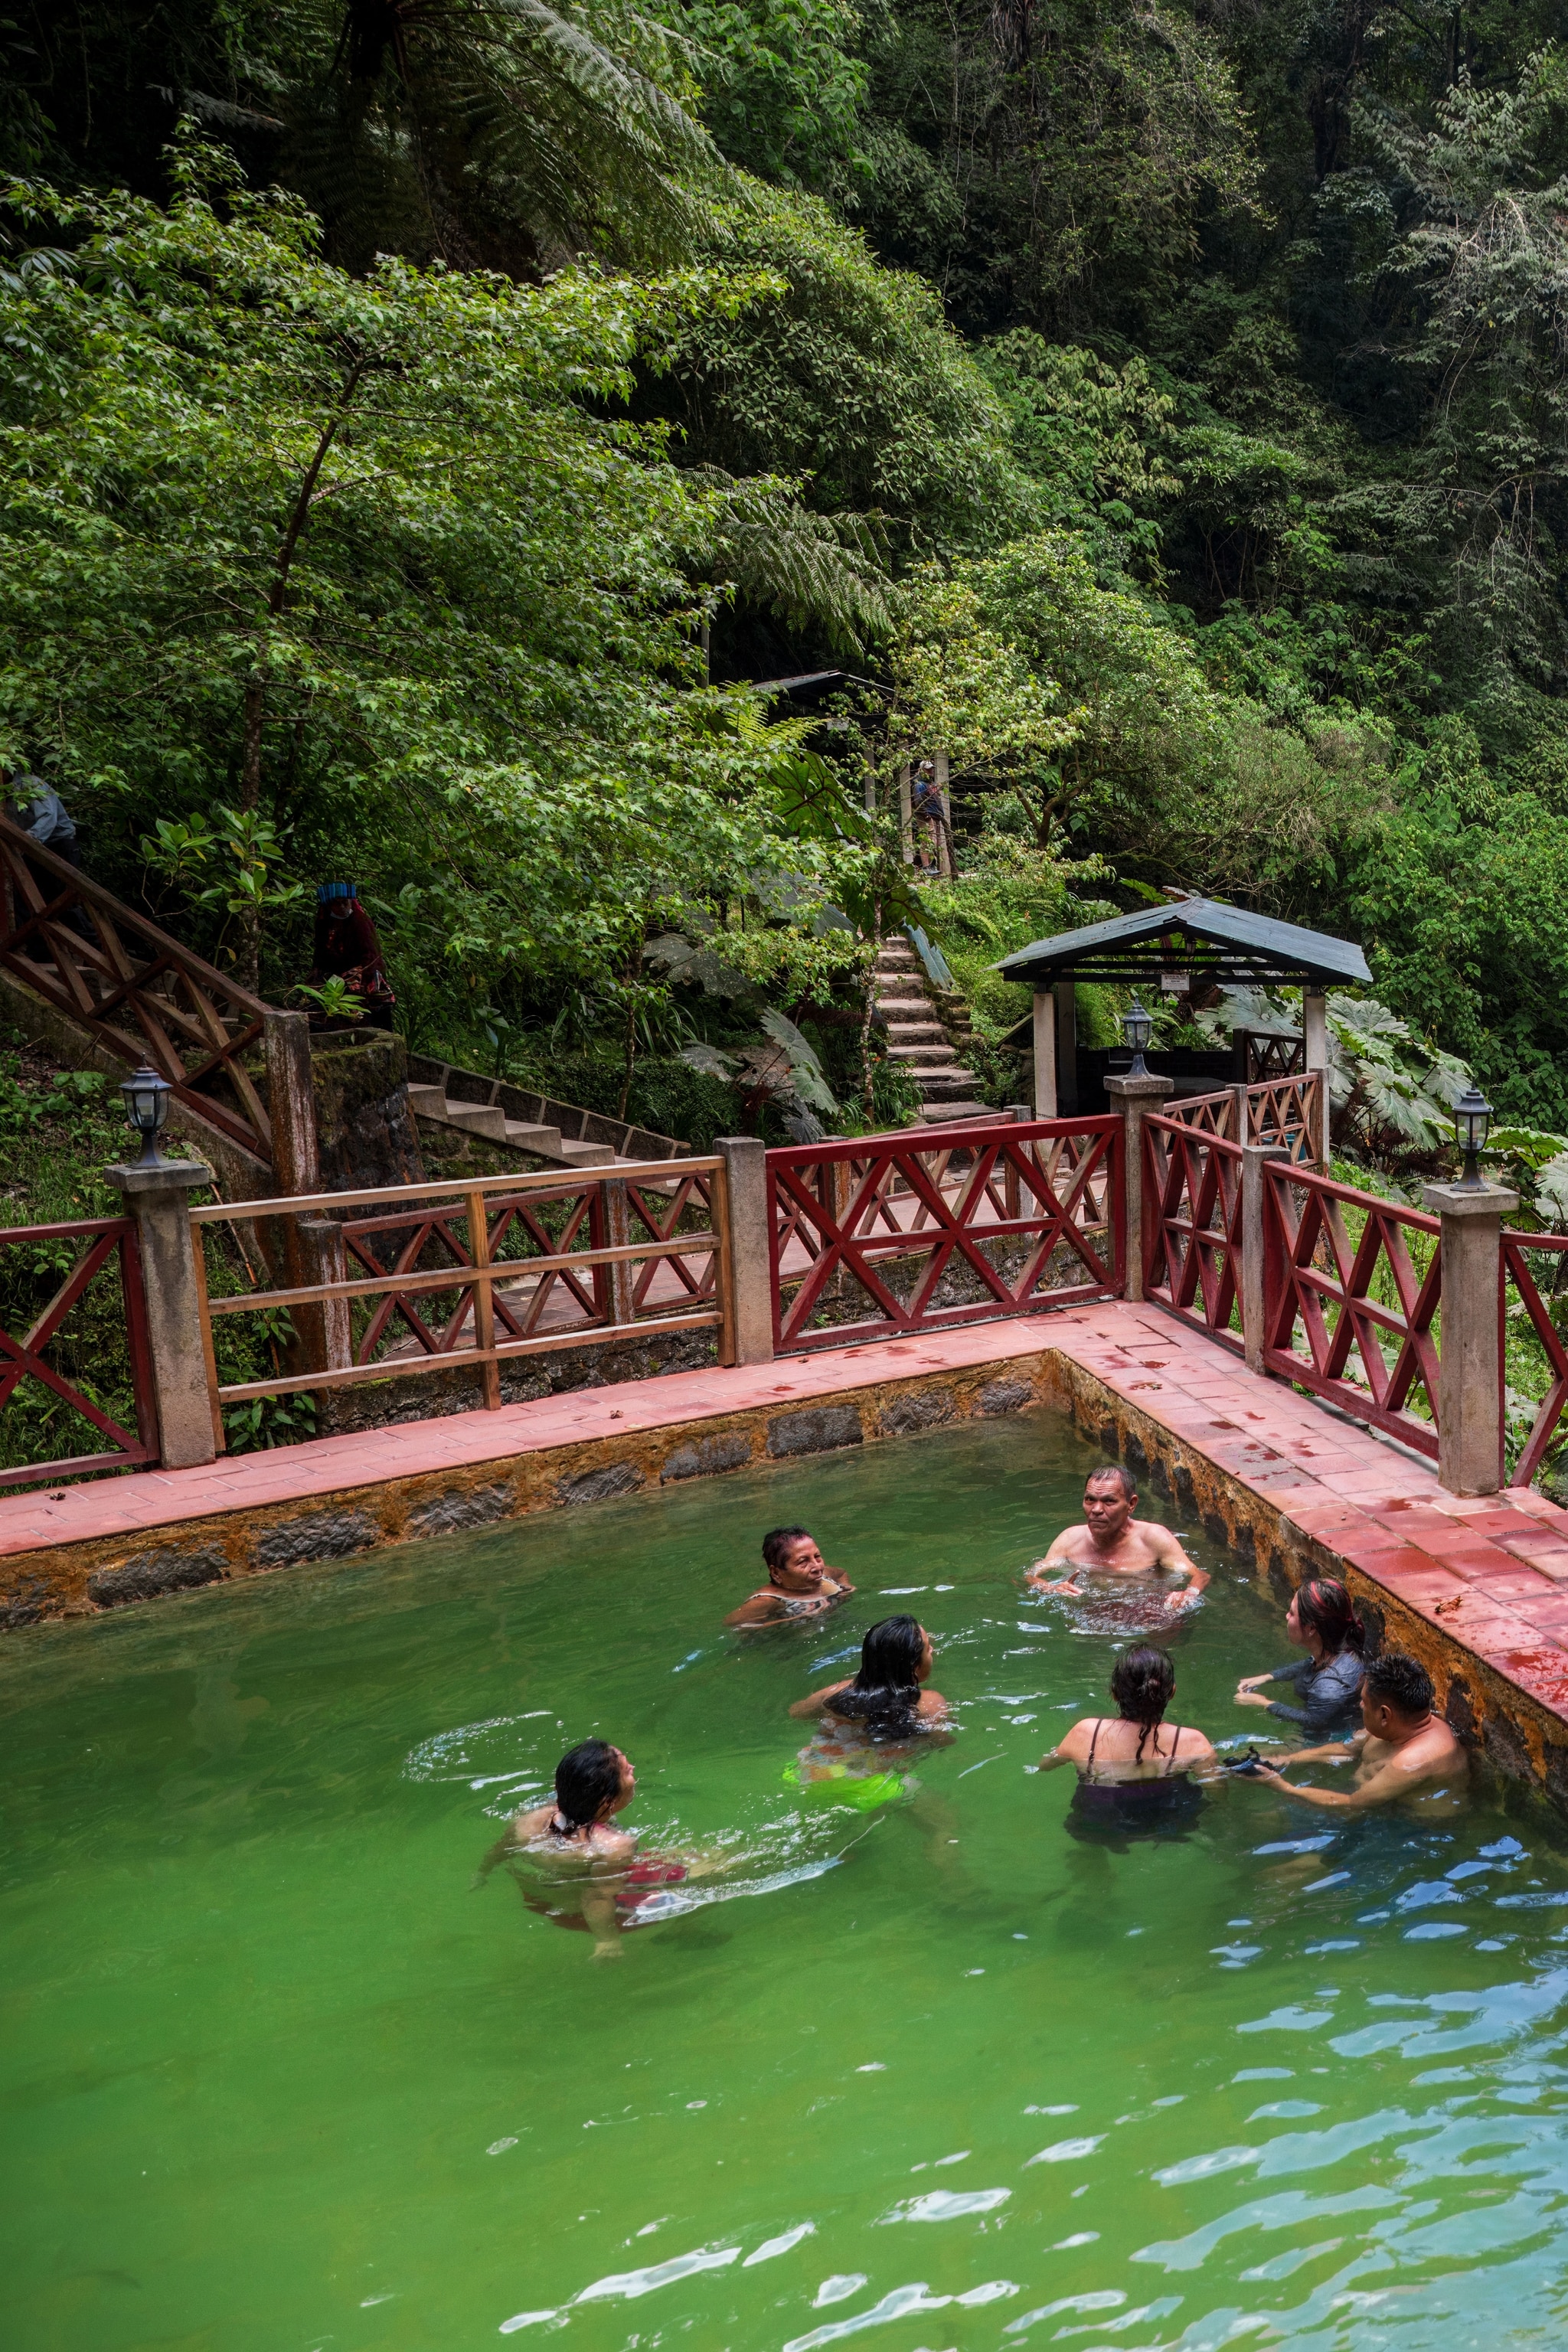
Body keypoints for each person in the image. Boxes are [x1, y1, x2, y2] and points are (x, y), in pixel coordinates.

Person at [478, 1739, 691, 1960]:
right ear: (608, 1802)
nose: (633, 1770)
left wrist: (482, 1873)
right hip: (589, 1914)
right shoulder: (615, 1845)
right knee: (709, 1866)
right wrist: (607, 1940)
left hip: (540, 1900)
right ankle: (680, 1928)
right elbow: (598, 1895)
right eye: (627, 1771)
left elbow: (500, 1850)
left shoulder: (529, 1821)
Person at [1244, 1651, 1467, 1812]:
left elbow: (1353, 1804)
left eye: (1363, 1701)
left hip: (1410, 1829)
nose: (1360, 1706)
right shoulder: (1400, 1724)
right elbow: (1347, 1749)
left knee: (1271, 1819)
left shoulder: (1412, 1762)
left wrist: (1282, 1786)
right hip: (1372, 1801)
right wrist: (1287, 1759)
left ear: (1384, 1714)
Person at [1037, 1645, 1219, 1842]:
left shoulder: (1085, 1733)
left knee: (1088, 1826)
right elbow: (1218, 1794)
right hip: (1169, 1821)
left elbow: (1045, 1766)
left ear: (1114, 1693)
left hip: (1101, 1822)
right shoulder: (1194, 1742)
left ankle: (1090, 1858)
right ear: (1172, 1692)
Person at [786, 1615, 949, 1808]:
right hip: (871, 1785)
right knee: (944, 1820)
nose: (933, 1651)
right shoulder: (929, 1702)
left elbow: (795, 1713)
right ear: (915, 1665)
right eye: (928, 1649)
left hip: (811, 1772)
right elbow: (939, 1741)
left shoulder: (834, 1693)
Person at [1028, 1465, 1208, 1615]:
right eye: (1090, 1499)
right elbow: (1030, 1576)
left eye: (1109, 1501)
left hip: (1149, 1614)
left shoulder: (1153, 1538)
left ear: (1131, 1504)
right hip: (1092, 1615)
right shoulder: (1070, 1539)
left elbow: (1200, 1575)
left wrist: (1187, 1594)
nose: (1096, 1509)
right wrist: (1052, 1589)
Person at [1234, 1577, 1365, 1742]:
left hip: (1331, 1738)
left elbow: (1312, 1720)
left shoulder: (1329, 1687)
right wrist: (1267, 1677)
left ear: (1311, 1628)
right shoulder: (1339, 1648)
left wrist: (1263, 1702)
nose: (1286, 1616)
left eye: (1292, 1613)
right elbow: (1310, 1663)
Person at [726, 1525, 855, 1628]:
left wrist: (847, 1587)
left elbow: (841, 1573)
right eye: (803, 1561)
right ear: (776, 1573)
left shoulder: (825, 1576)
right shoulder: (769, 1600)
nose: (817, 1567)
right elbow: (733, 1624)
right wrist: (787, 1621)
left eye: (817, 1556)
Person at [309, 881, 397, 1027]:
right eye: (337, 904)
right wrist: (316, 969)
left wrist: (364, 975)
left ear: (351, 902)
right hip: (335, 971)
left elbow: (371, 953)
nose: (342, 907)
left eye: (345, 902)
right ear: (329, 906)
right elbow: (320, 949)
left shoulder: (359, 921)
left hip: (363, 968)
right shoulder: (324, 922)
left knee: (359, 994)